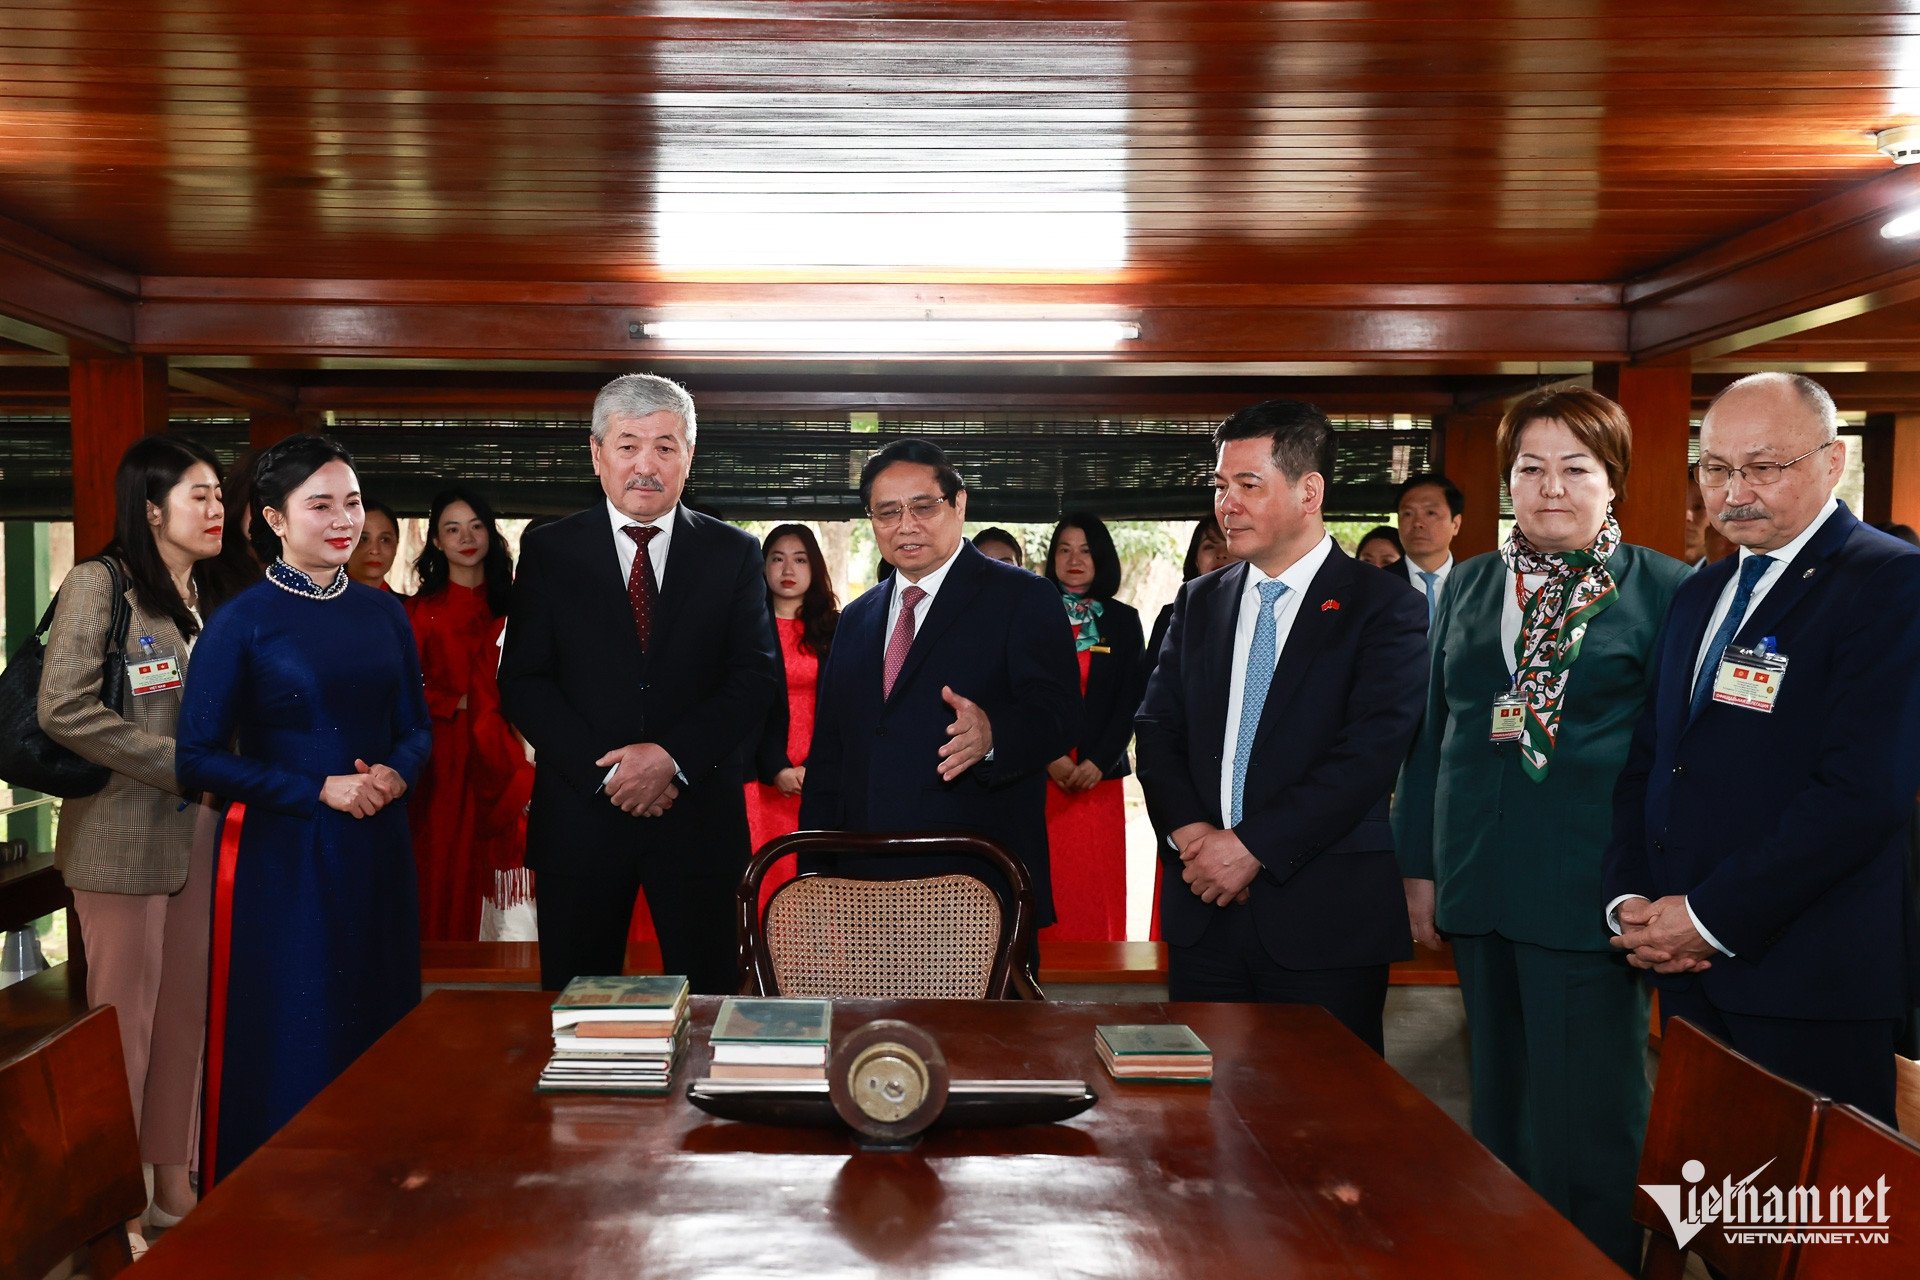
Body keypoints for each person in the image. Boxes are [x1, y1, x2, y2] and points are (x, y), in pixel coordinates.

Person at [1392, 386, 1688, 1269]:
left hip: (1592, 887)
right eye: (1530, 468)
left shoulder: (1665, 589)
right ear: (1508, 482)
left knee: (1590, 1113)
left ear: (1614, 482)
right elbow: (1435, 728)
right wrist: (1420, 866)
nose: (1550, 487)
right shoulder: (1475, 580)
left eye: (1575, 468)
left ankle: (1596, 1261)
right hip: (1478, 876)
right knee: (1501, 1104)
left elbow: (1679, 758)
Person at [1603, 371, 1920, 1127]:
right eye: (1715, 468)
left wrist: (1708, 919)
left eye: (1763, 467)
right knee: (1710, 1208)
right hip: (1682, 968)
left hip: (1807, 977)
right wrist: (1630, 904)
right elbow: (1652, 760)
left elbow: (1861, 793)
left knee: (1808, 1224)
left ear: (1832, 461)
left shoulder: (1890, 582)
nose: (1734, 490)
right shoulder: (1701, 591)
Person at [1134, 400, 1428, 1053]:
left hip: (1324, 920)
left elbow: (1368, 756)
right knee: (1202, 1122)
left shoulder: (1383, 607)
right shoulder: (1199, 600)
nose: (1226, 505)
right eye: (1220, 486)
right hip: (1202, 910)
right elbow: (1156, 729)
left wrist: (1250, 848)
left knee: (1322, 1130)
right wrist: (1196, 841)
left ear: (1308, 491)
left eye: (1247, 485)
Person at [176, 434, 431, 1181]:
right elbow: (195, 757)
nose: (343, 520)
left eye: (351, 502)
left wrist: (396, 772)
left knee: (381, 1019)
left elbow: (416, 726)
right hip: (284, 856)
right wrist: (318, 788)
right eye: (320, 505)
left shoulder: (383, 614)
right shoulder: (242, 619)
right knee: (297, 1024)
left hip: (378, 848)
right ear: (274, 519)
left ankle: (379, 1191)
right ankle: (278, 1202)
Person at [498, 374, 778, 994]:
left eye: (664, 446)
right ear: (597, 455)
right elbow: (524, 681)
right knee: (577, 1010)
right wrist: (610, 773)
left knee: (713, 1004)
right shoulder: (548, 550)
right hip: (581, 818)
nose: (645, 465)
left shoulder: (733, 552)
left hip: (698, 815)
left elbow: (754, 677)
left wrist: (671, 760)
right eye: (628, 446)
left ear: (689, 456)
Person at [36, 436, 233, 1237]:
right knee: (125, 1028)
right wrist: (184, 764)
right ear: (151, 510)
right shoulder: (100, 584)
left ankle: (171, 1187)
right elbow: (66, 709)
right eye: (199, 496)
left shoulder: (206, 598)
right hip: (119, 840)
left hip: (202, 840)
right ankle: (112, 1202)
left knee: (186, 1019)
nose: (217, 509)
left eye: (220, 494)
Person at [798, 438, 1080, 941]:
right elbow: (830, 759)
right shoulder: (857, 618)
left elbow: (1059, 714)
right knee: (870, 1023)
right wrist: (813, 879)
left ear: (960, 503)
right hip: (864, 885)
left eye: (923, 506)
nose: (906, 525)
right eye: (887, 513)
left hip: (976, 880)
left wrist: (994, 736)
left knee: (984, 1025)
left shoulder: (1021, 596)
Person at [407, 487, 534, 941]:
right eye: (452, 529)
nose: (466, 537)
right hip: (446, 756)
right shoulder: (419, 612)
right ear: (436, 542)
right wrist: (456, 701)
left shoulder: (517, 607)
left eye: (476, 526)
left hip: (508, 754)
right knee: (445, 859)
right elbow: (401, 692)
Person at [1038, 514, 1145, 942]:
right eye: (1064, 549)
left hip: (1097, 779)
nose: (1074, 559)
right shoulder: (1032, 613)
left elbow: (1132, 698)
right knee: (1047, 881)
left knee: (1094, 885)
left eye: (1085, 550)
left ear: (1101, 557)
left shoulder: (1123, 619)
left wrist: (1099, 760)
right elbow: (1018, 692)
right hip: (1043, 776)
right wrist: (1049, 756)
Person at [746, 522, 839, 881]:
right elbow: (743, 707)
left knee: (812, 889)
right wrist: (776, 768)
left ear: (814, 567)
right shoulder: (743, 628)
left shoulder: (837, 629)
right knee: (763, 881)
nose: (788, 570)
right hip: (760, 780)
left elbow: (845, 710)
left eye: (800, 560)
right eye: (777, 559)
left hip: (819, 778)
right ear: (762, 565)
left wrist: (814, 768)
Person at [1146, 514, 1236, 673]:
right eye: (1209, 546)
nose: (1221, 553)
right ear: (1196, 561)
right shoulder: (1172, 615)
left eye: (1229, 544)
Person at [1387, 472, 1464, 625]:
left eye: (1430, 513)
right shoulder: (1378, 585)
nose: (1418, 523)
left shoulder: (1475, 586)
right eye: (1408, 514)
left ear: (1455, 524)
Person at [348, 499, 403, 592]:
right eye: (363, 539)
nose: (375, 550)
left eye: (385, 540)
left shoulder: (407, 606)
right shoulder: (321, 603)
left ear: (396, 545)